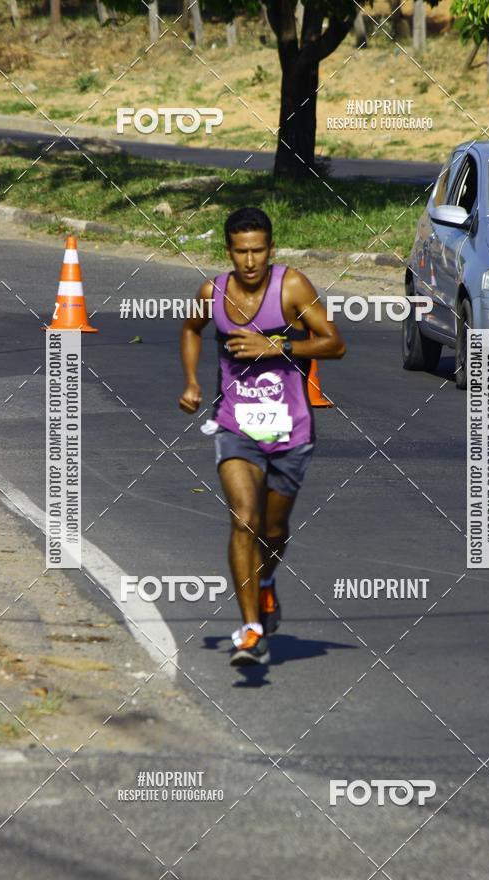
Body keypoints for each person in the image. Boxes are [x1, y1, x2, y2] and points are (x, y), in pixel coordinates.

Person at [178, 207, 345, 666]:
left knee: (272, 531)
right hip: (236, 426)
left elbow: (334, 342)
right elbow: (191, 329)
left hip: (291, 429)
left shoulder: (291, 287)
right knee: (245, 519)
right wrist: (192, 381)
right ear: (228, 251)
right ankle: (251, 630)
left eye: (258, 251)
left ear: (270, 249)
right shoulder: (213, 292)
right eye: (240, 252)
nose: (249, 261)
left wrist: (279, 344)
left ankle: (266, 582)